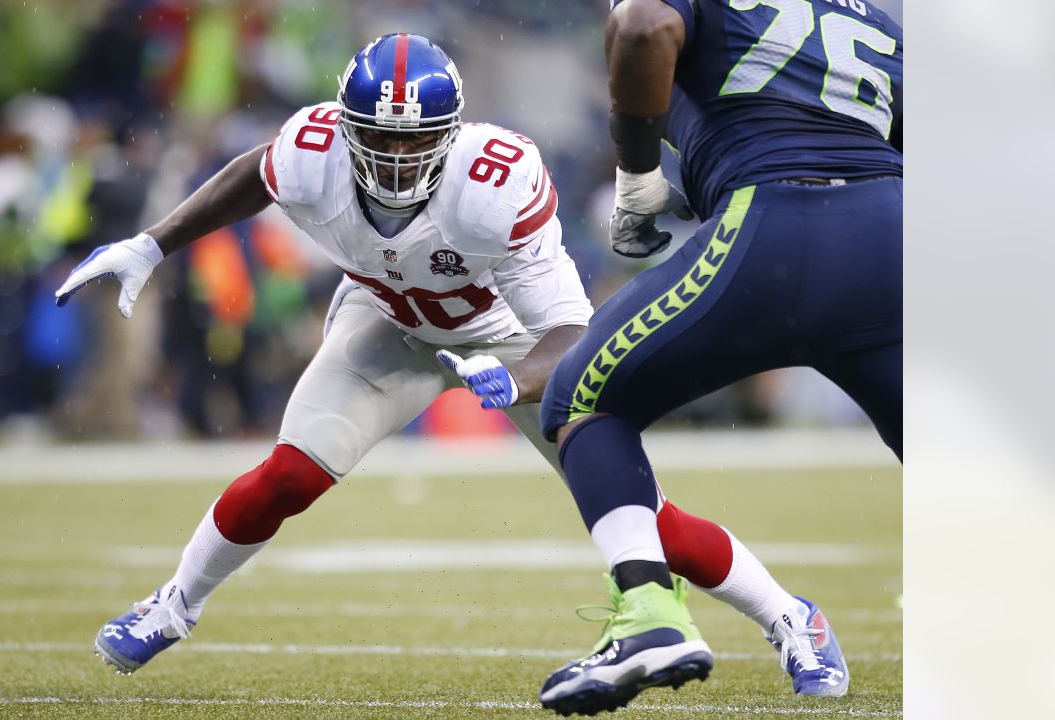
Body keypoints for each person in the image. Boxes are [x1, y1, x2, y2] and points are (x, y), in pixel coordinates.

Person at [54, 33, 836, 684]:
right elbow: (253, 176)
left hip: (507, 334)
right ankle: (174, 603)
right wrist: (149, 245)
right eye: (380, 135)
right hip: (386, 320)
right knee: (291, 472)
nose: (396, 155)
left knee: (640, 520)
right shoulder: (312, 148)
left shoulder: (494, 182)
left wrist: (515, 377)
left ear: (453, 131)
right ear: (345, 124)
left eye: (415, 138)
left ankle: (791, 617)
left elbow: (571, 332)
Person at [536, 0, 902, 714]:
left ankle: (648, 617)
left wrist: (638, 175)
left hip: (774, 228)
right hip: (892, 235)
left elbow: (642, 27)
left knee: (581, 399)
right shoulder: (879, 22)